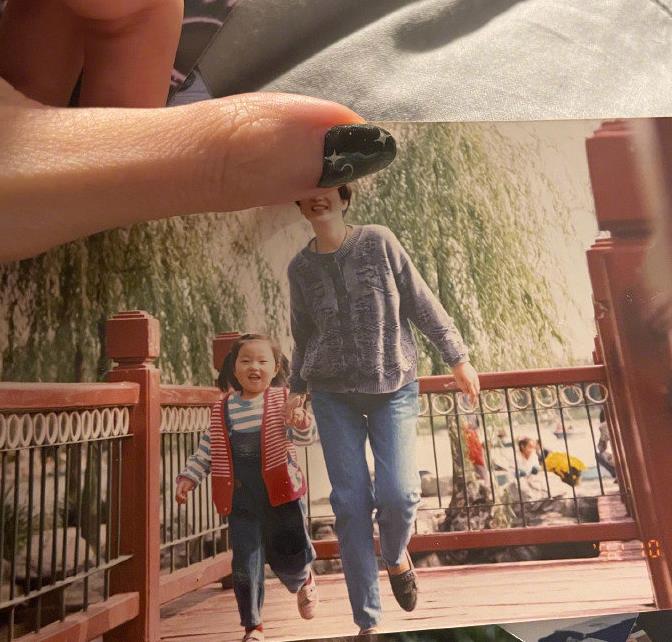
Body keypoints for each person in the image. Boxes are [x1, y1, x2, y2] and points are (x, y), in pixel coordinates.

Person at [286, 183, 480, 635]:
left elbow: (420, 300)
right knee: (350, 504)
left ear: (344, 198)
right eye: (309, 192)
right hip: (332, 393)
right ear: (299, 205)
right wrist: (296, 388)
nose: (318, 197)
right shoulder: (299, 269)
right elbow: (303, 335)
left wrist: (457, 357)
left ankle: (394, 556)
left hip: (393, 383)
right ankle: (367, 622)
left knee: (400, 494)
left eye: (328, 189)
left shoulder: (377, 241)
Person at [175, 333, 318, 642]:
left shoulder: (283, 399)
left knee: (292, 551)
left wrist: (301, 422)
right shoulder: (222, 409)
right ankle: (253, 626)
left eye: (263, 361)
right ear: (234, 368)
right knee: (245, 562)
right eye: (246, 360)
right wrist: (189, 478)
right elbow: (207, 450)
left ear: (275, 367)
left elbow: (305, 439)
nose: (255, 367)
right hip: (241, 497)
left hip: (281, 493)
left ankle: (303, 578)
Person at [596, 408, 616, 478]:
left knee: (598, 455)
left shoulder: (604, 426)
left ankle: (615, 473)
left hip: (616, 458)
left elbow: (601, 447)